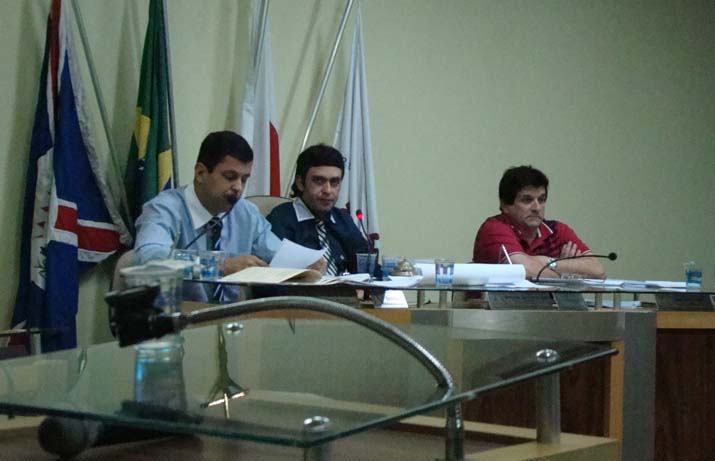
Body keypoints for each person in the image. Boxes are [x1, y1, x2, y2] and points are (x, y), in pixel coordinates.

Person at [133, 130, 282, 301]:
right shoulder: (164, 208)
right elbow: (149, 260)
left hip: (233, 315)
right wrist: (219, 266)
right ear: (201, 173)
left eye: (244, 179)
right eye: (230, 177)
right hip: (179, 314)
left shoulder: (246, 212)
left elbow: (278, 254)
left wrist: (304, 265)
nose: (238, 187)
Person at [472, 165, 605, 279]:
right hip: (500, 302)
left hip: (550, 302)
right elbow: (523, 269)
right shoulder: (495, 228)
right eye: (527, 200)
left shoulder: (558, 230)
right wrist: (568, 275)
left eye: (541, 200)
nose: (537, 208)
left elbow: (598, 271)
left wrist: (549, 262)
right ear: (505, 205)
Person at [267, 144, 376, 276]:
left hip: (345, 288)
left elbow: (367, 267)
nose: (328, 190)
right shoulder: (281, 218)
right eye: (319, 181)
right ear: (300, 183)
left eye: (334, 182)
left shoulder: (342, 219)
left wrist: (391, 272)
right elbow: (276, 276)